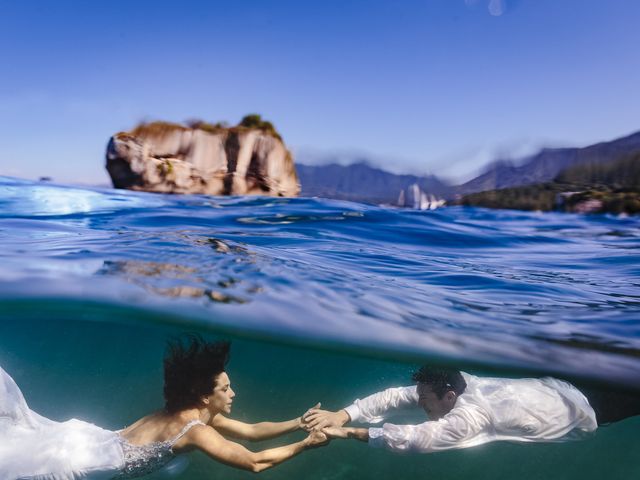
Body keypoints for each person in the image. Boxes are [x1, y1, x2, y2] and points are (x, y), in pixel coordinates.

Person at [0, 336, 328, 479]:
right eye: (225, 389)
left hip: (92, 439)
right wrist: (305, 445)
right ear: (204, 395)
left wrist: (299, 422)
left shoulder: (189, 413)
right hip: (89, 459)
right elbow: (254, 462)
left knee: (16, 427)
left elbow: (253, 432)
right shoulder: (196, 431)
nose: (233, 394)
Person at [303, 366, 638, 453]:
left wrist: (345, 432)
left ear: (449, 396)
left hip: (594, 407)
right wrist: (343, 413)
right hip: (565, 383)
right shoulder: (463, 382)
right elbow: (395, 397)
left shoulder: (473, 416)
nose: (421, 408)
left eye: (426, 403)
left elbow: (414, 440)